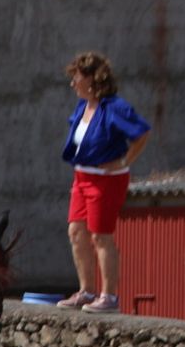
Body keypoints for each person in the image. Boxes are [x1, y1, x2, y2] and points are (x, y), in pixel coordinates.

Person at [57, 51, 152, 314]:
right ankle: (86, 291)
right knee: (76, 232)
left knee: (100, 235)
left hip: (105, 181)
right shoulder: (82, 107)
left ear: (92, 79)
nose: (73, 84)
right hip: (82, 177)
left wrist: (123, 162)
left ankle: (109, 296)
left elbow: (142, 133)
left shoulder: (114, 107)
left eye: (77, 78)